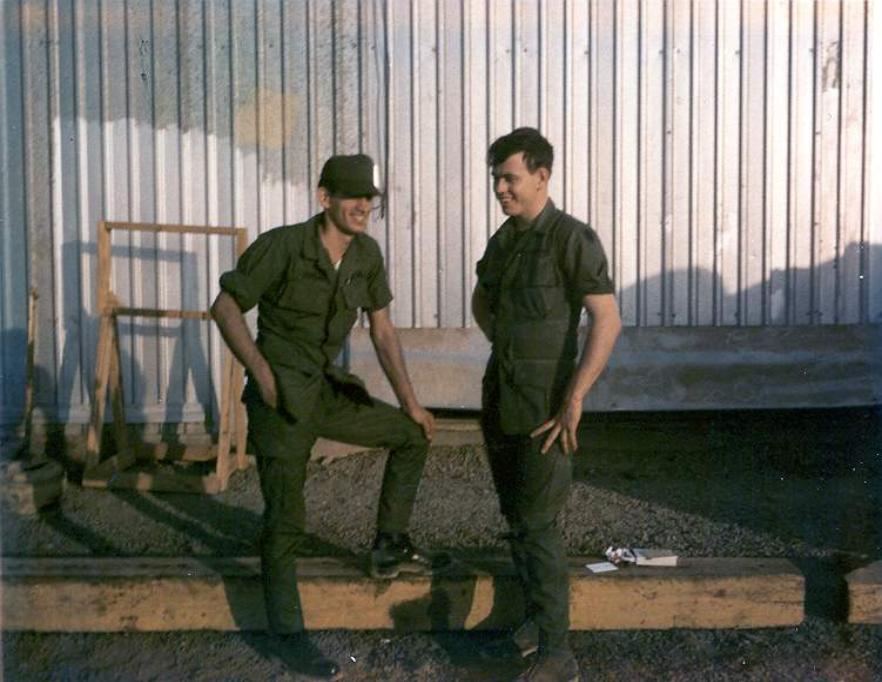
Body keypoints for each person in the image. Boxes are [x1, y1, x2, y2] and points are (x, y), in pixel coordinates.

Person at [211, 154, 448, 679]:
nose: (363, 206)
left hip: (324, 391)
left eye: (369, 198)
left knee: (411, 434)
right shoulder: (284, 245)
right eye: (351, 196)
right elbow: (226, 308)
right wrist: (263, 376)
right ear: (325, 198)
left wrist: (411, 402)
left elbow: (383, 332)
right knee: (285, 522)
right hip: (280, 404)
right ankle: (288, 637)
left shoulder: (366, 255)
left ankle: (388, 544)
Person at [472, 128, 622, 681]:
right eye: (496, 180)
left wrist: (574, 397)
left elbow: (606, 321)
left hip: (546, 414)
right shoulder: (504, 240)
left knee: (538, 525)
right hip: (501, 401)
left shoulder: (572, 238)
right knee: (516, 521)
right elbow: (482, 297)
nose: (501, 189)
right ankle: (537, 623)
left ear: (542, 176)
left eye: (509, 178)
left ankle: (558, 654)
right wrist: (507, 345)